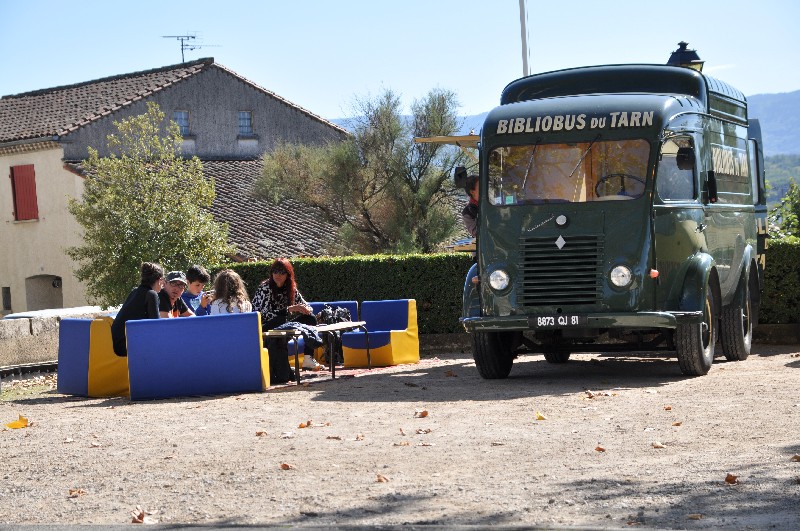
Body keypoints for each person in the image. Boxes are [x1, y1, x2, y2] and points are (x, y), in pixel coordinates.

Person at [251, 258, 322, 382]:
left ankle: (308, 358)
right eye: (275, 271)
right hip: (265, 327)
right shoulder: (264, 288)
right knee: (280, 319)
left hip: (284, 324)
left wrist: (305, 309)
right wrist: (289, 309)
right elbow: (263, 315)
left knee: (310, 319)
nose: (278, 275)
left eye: (282, 272)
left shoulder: (291, 288)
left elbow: (307, 306)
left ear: (288, 275)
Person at [111, 262, 165, 356]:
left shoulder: (134, 292)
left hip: (116, 345)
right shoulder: (151, 294)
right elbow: (156, 327)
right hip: (127, 347)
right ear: (159, 280)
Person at [461, 174, 479, 239]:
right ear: (472, 191)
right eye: (481, 187)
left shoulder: (494, 202)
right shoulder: (467, 212)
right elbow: (476, 233)